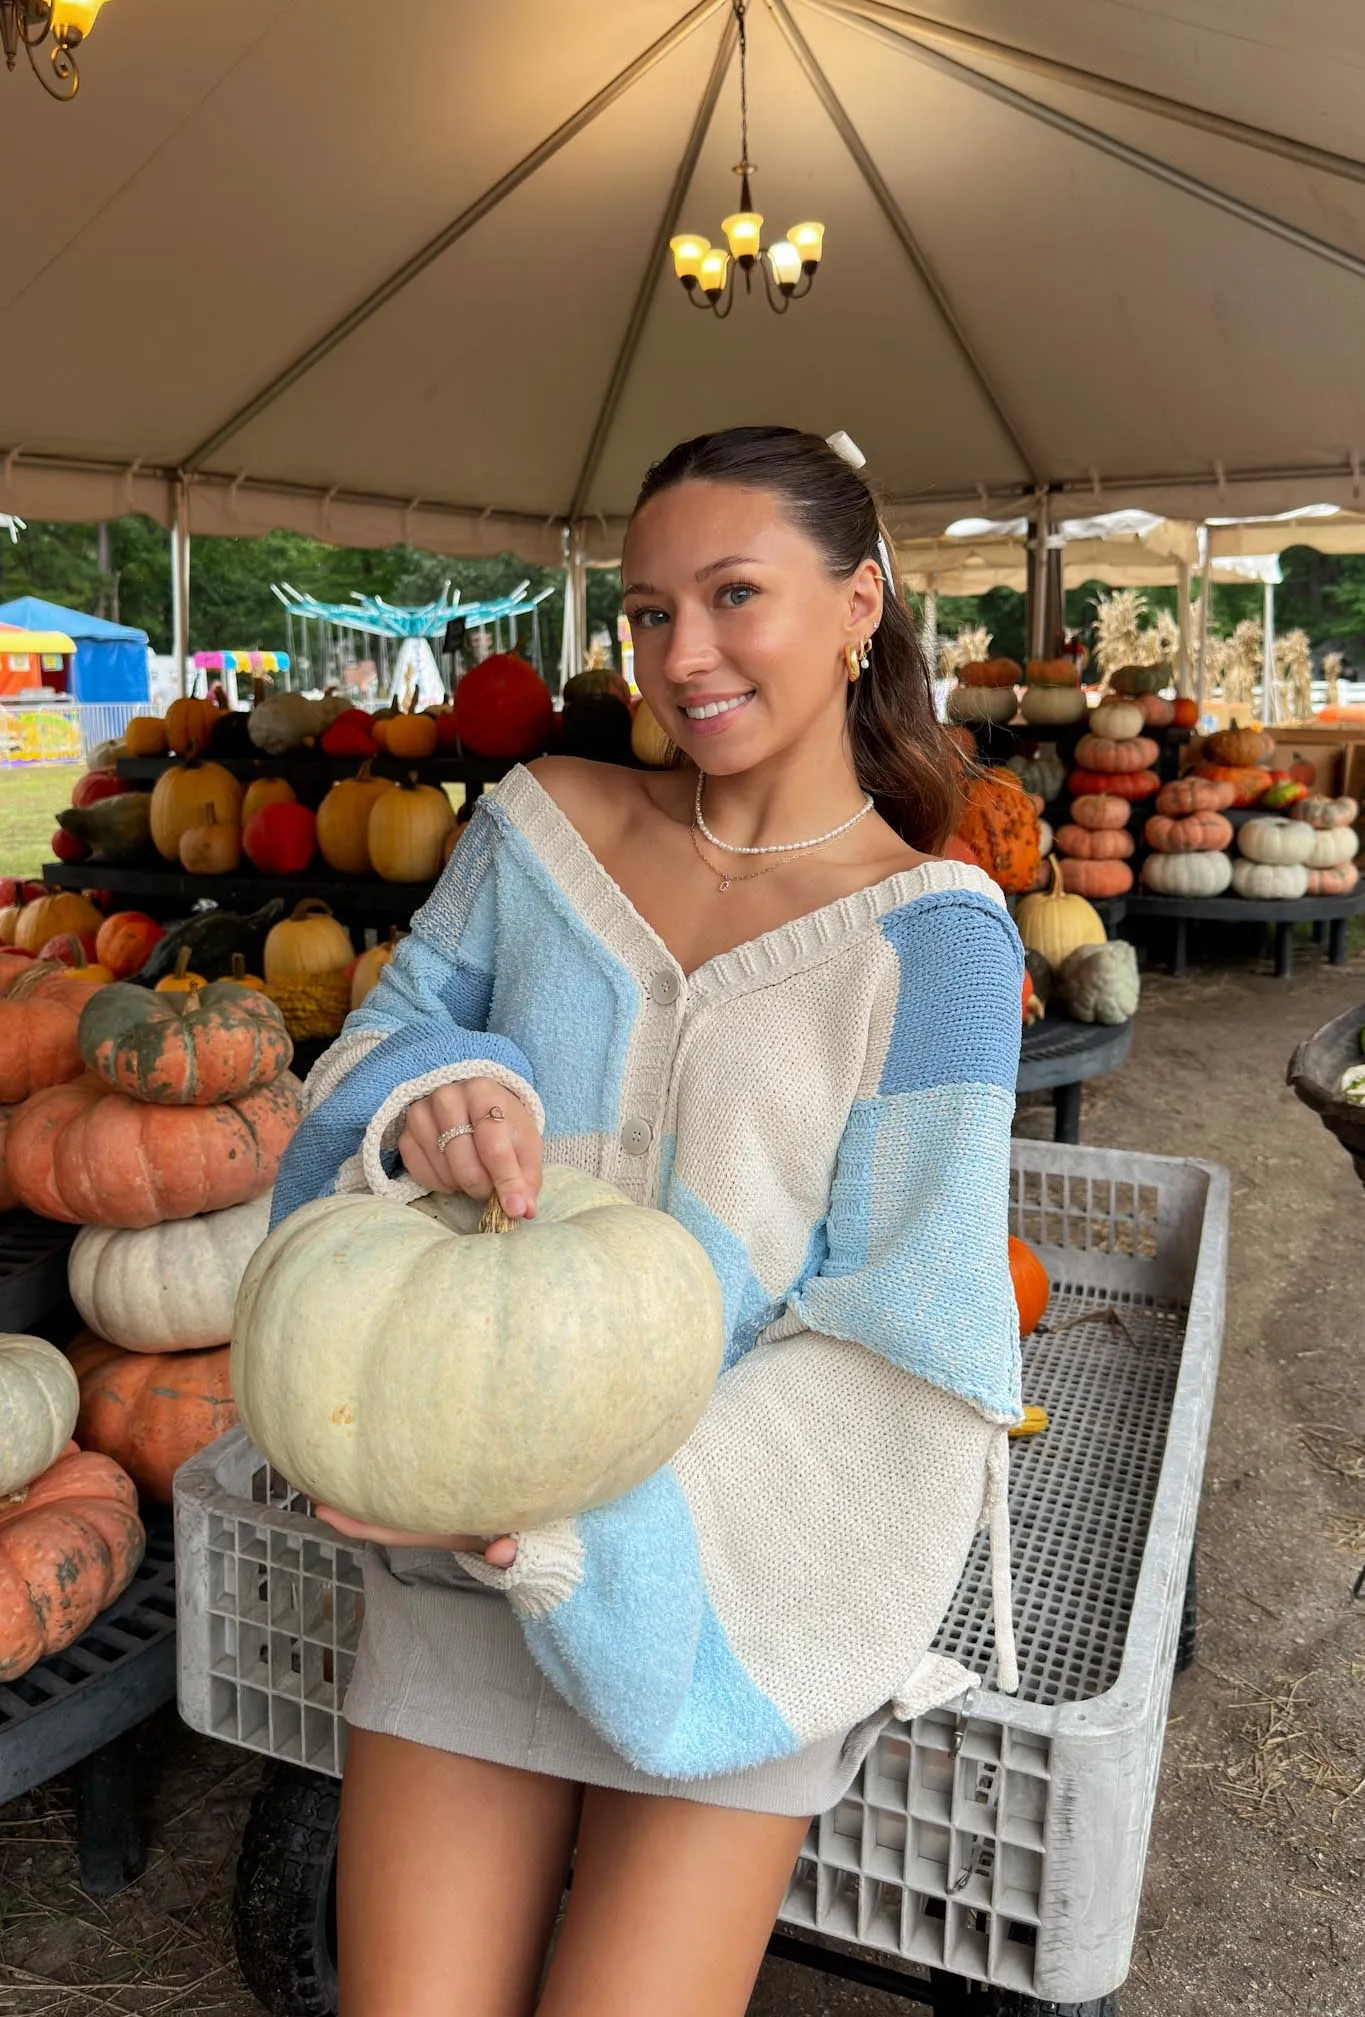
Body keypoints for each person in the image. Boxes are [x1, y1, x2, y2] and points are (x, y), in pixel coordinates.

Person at [269, 425, 1025, 2017]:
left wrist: (567, 1522)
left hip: (740, 1583)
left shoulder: (939, 951)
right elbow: (368, 1047)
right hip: (453, 1552)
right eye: (645, 611)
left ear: (858, 603)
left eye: (735, 595)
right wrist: (438, 1090)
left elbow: (904, 1338)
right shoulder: (540, 825)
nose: (683, 657)